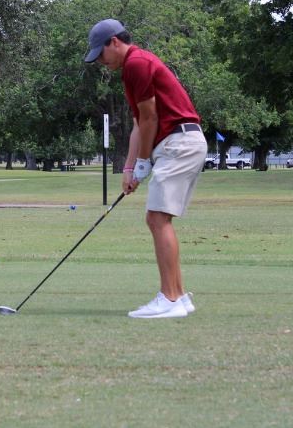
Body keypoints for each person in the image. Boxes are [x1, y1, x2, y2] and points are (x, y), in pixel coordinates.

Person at [85, 19, 208, 318]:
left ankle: (169, 299)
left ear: (114, 42)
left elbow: (151, 118)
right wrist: (130, 168)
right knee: (158, 218)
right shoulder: (134, 67)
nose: (100, 61)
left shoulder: (137, 63)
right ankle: (178, 297)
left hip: (178, 142)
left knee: (157, 219)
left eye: (100, 54)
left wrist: (143, 162)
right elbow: (140, 124)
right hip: (179, 144)